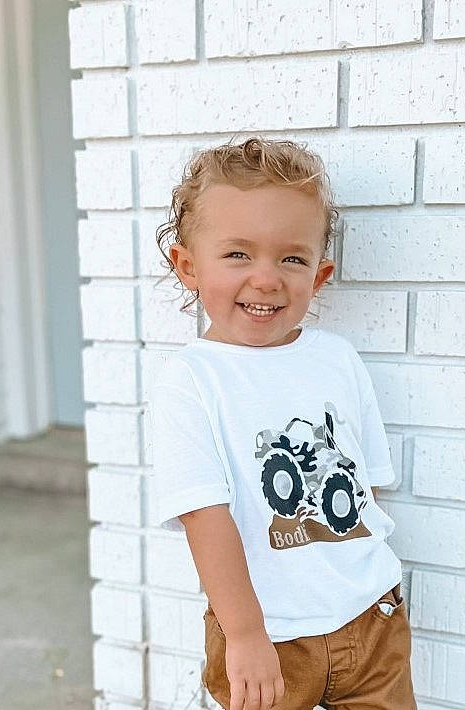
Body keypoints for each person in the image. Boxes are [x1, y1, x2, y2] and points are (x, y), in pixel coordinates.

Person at [149, 136, 417, 710]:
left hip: (371, 617)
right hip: (267, 633)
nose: (267, 278)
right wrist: (244, 635)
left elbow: (363, 485)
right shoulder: (193, 379)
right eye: (238, 254)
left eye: (291, 258)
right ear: (188, 265)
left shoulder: (337, 359)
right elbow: (204, 515)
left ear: (318, 276)